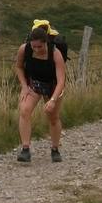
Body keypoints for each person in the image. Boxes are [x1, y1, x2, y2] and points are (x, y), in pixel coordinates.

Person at [14, 19, 66, 162]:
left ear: (46, 43)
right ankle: (25, 149)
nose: (36, 49)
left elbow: (61, 80)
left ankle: (55, 150)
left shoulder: (55, 54)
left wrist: (53, 100)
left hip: (53, 86)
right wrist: (24, 86)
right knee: (24, 110)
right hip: (35, 83)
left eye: (40, 46)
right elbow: (18, 67)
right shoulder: (24, 49)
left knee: (53, 116)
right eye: (34, 46)